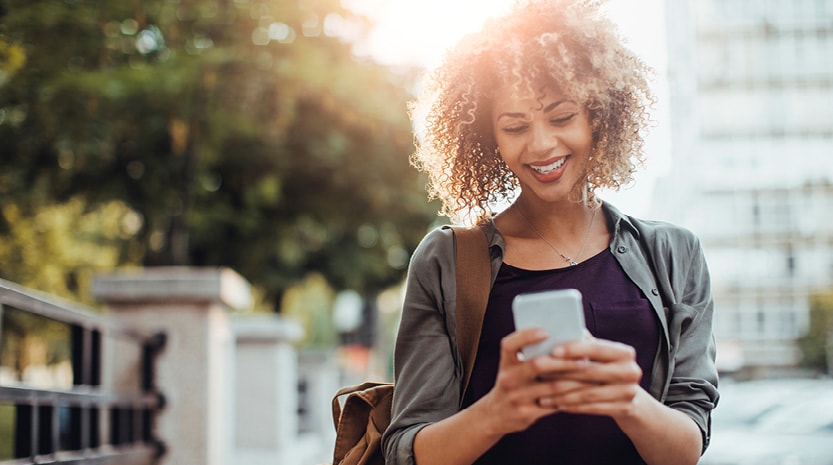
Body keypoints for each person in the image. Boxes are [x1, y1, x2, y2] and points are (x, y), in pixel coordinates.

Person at [381, 0, 719, 464]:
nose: (541, 145)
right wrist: (498, 411)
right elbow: (407, 450)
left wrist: (628, 400)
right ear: (490, 138)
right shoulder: (447, 261)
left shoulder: (674, 254)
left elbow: (687, 448)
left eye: (562, 118)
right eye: (515, 126)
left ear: (598, 117)